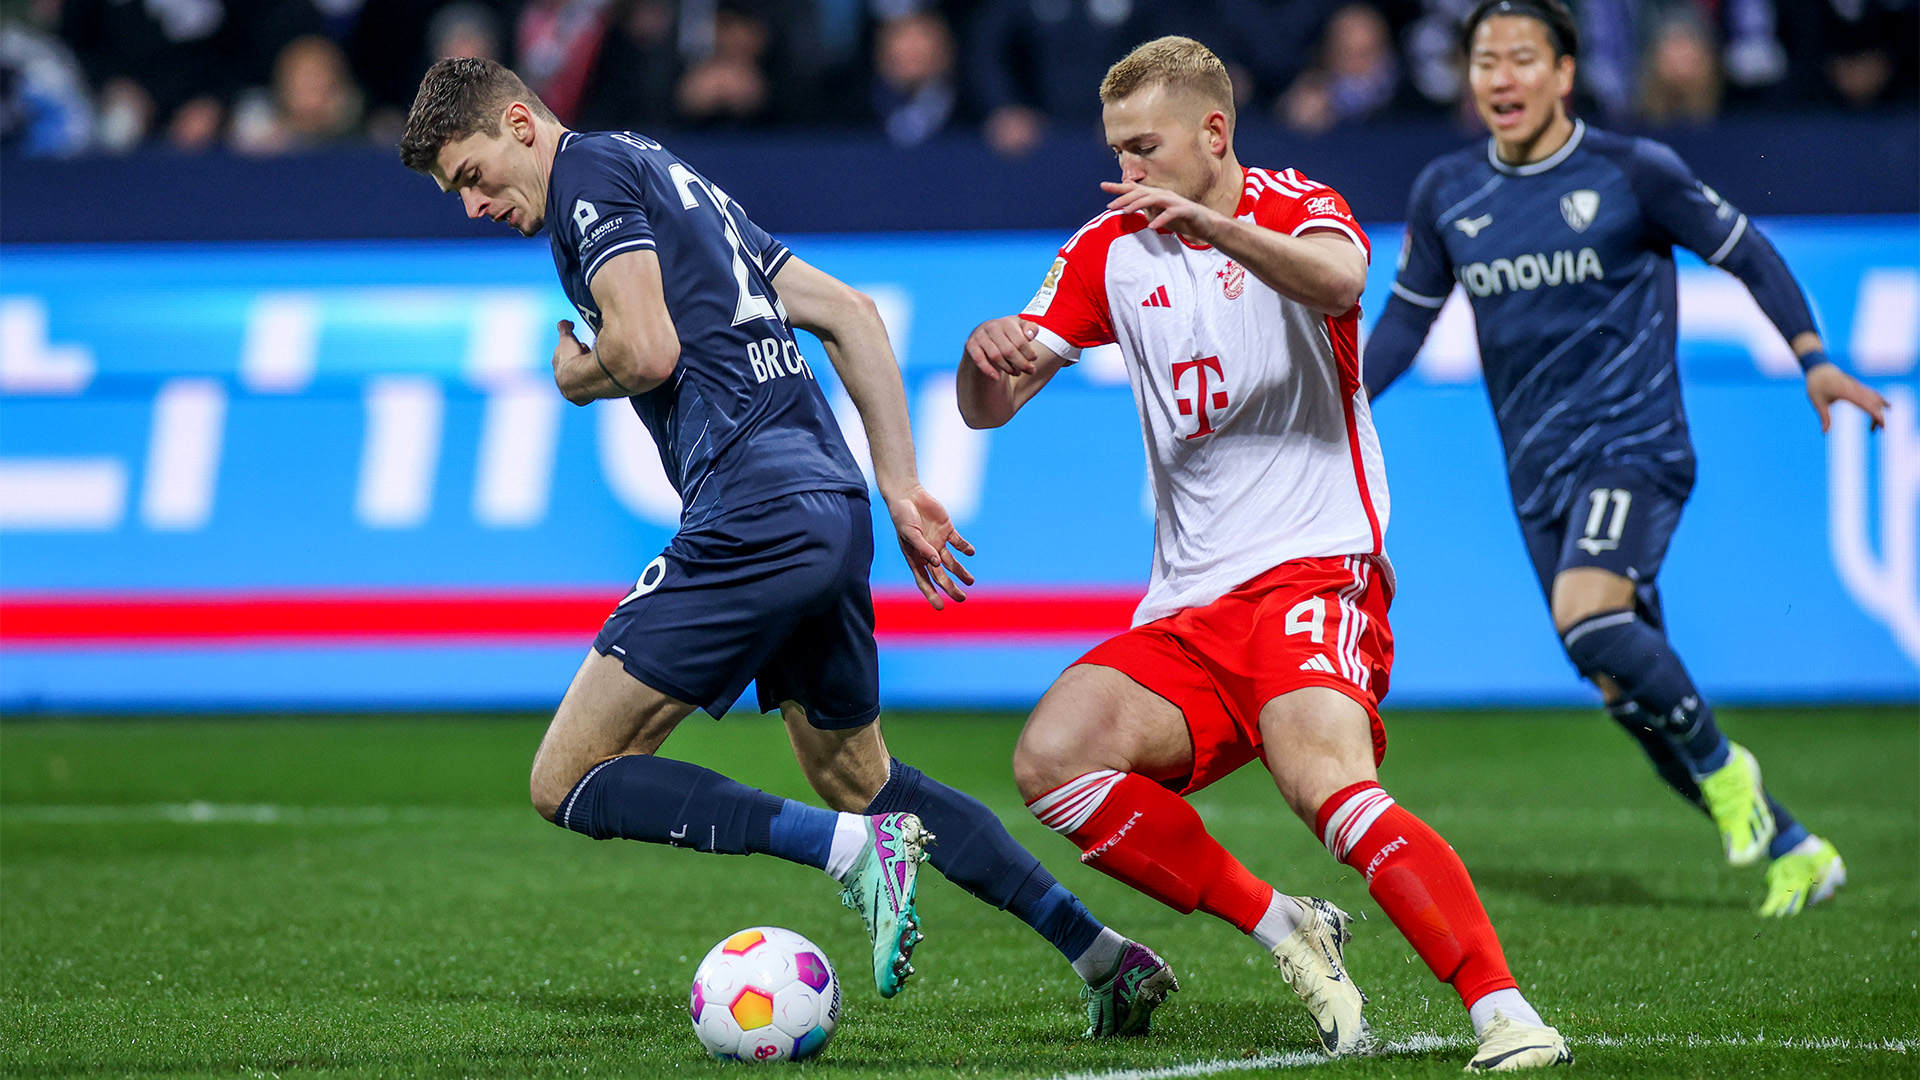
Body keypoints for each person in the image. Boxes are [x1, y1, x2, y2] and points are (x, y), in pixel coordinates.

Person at [395, 57, 1176, 1036]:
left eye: (470, 176)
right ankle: (1104, 954)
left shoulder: (586, 181)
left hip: (751, 510)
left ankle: (849, 853)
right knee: (866, 776)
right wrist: (898, 488)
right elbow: (850, 314)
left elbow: (646, 353)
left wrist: (575, 373)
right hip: (828, 504)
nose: (471, 205)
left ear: (518, 123)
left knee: (567, 779)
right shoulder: (659, 171)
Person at [957, 36, 1571, 1072]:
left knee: (1323, 780)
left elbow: (1340, 281)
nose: (1127, 172)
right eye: (1115, 150)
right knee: (1052, 758)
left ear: (1215, 133)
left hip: (1315, 567)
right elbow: (991, 409)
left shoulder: (1295, 203)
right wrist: (985, 358)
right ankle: (1285, 925)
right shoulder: (1109, 249)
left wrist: (1214, 228)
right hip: (1189, 606)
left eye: (1144, 147)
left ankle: (1505, 1012)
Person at [1362, 0, 1886, 918]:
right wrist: (1340, 404)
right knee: (1618, 681)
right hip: (1536, 472)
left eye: (1523, 59)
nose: (1502, 78)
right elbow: (1408, 319)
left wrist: (1814, 358)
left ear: (1565, 73)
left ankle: (1730, 772)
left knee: (1590, 616)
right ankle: (1797, 847)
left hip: (1635, 446)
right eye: (1486, 60)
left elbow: (1746, 251)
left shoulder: (1632, 171)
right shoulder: (1447, 191)